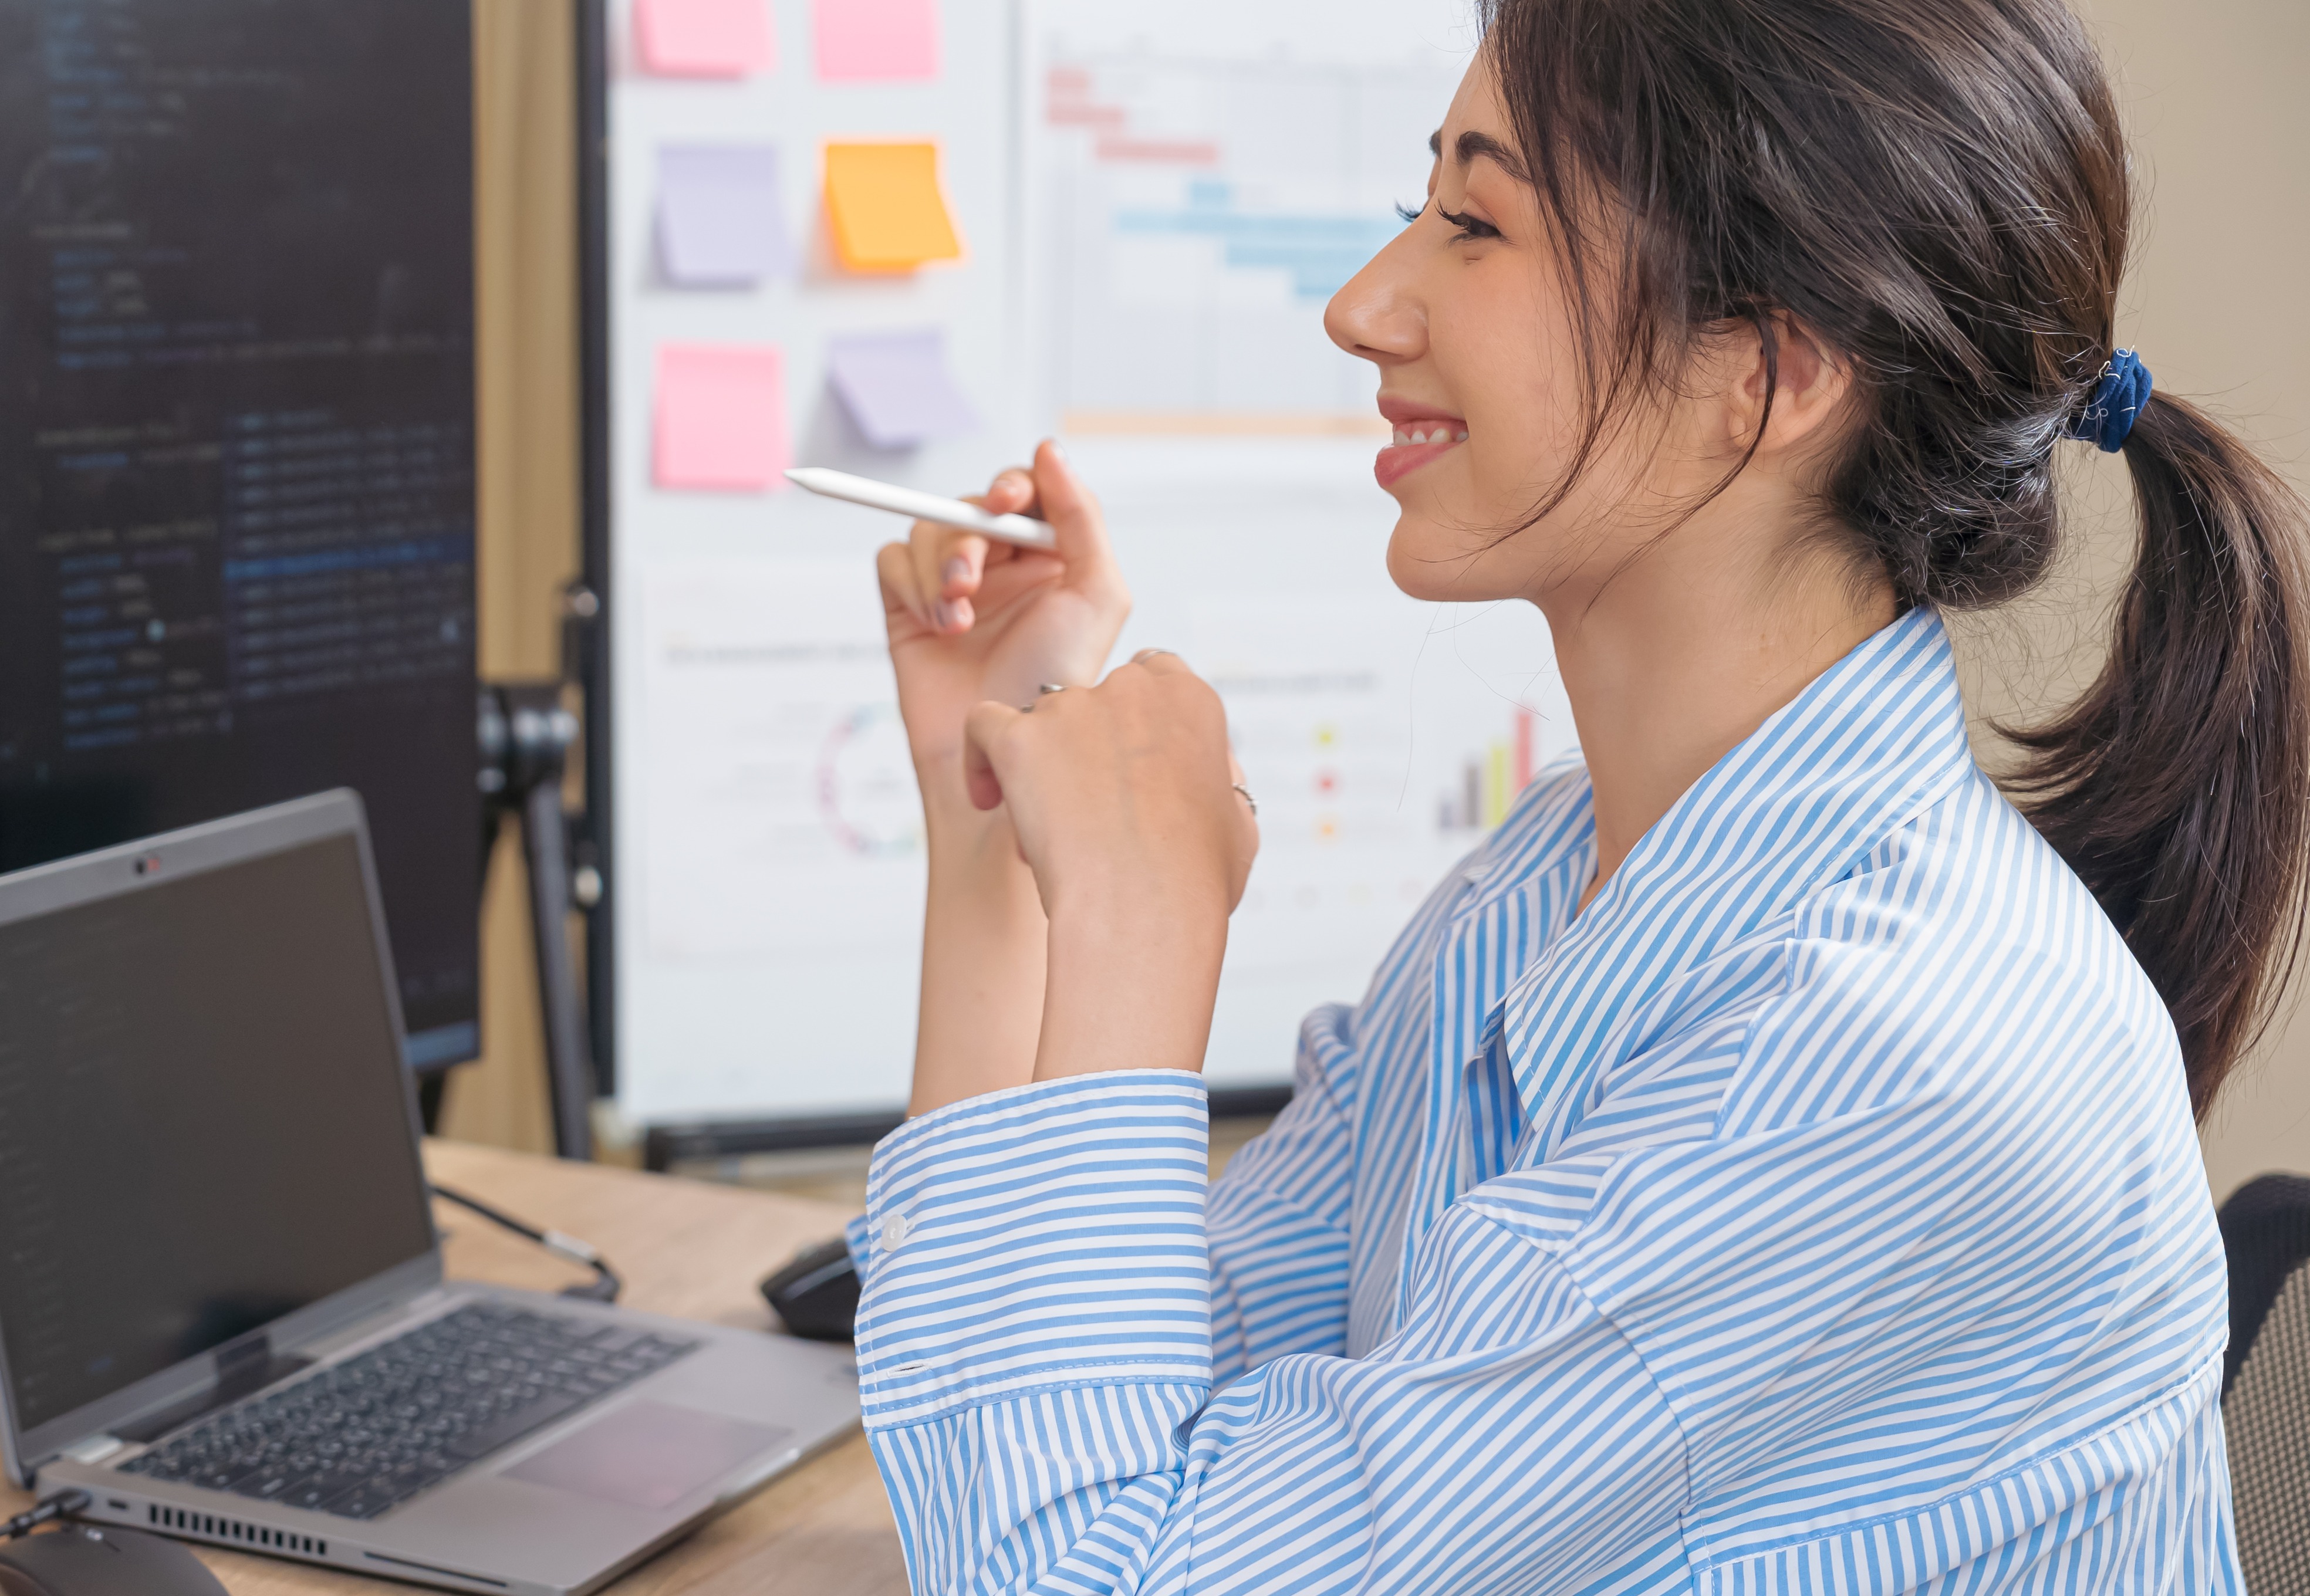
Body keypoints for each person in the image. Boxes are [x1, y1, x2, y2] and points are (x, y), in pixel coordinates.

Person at [853, 0, 2305, 1587]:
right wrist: (994, 822)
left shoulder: (1882, 1063)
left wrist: (1139, 925)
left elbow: (1077, 1569)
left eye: (1477, 225)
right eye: (1422, 205)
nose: (1362, 307)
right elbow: (1078, 1435)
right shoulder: (1549, 879)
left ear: (1769, 370)